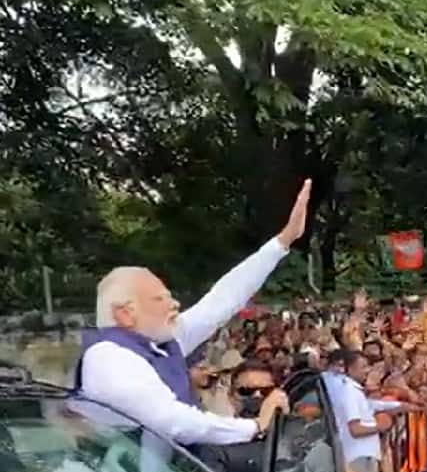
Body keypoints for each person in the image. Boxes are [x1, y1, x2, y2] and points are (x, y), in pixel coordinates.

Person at [75, 180, 311, 449]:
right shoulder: (108, 358)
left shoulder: (160, 343)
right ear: (126, 314)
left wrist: (283, 241)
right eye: (159, 299)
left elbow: (222, 301)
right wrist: (256, 425)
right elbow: (173, 421)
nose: (174, 304)